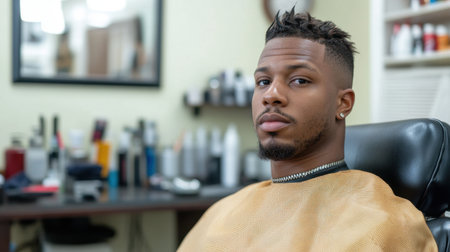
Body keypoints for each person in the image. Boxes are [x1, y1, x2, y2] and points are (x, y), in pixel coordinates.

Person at [178, 10, 437, 251]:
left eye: (299, 80)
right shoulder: (222, 212)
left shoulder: (386, 225)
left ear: (343, 103)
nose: (271, 95)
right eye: (263, 82)